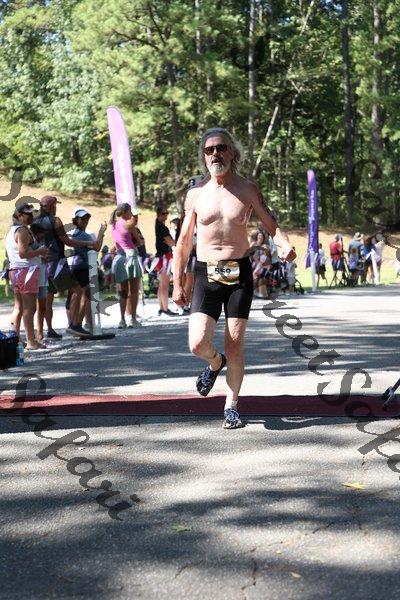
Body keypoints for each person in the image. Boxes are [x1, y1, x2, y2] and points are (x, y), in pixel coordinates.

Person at [172, 127, 296, 430]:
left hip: (238, 272)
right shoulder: (195, 194)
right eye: (209, 150)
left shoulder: (247, 189)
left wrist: (284, 244)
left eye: (221, 148)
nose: (216, 154)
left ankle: (231, 405)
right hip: (206, 273)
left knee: (235, 343)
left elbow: (270, 223)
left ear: (233, 152)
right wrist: (177, 282)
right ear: (204, 156)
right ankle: (215, 363)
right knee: (197, 343)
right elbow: (183, 242)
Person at [33, 195, 95, 340]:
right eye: (55, 205)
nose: (56, 208)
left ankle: (45, 331)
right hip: (57, 263)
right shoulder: (56, 220)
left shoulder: (35, 221)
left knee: (46, 298)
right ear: (51, 206)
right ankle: (74, 324)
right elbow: (67, 241)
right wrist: (87, 243)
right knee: (76, 289)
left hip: (41, 263)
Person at [5, 203, 49, 349]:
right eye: (27, 214)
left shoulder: (10, 231)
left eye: (32, 214)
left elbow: (10, 254)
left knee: (18, 307)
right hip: (26, 271)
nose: (31, 216)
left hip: (15, 270)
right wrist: (40, 252)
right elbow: (23, 253)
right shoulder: (22, 231)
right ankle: (31, 341)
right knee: (29, 308)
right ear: (19, 215)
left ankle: (16, 340)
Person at [66, 208, 106, 336]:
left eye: (87, 218)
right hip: (82, 268)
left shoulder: (78, 233)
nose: (85, 221)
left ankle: (76, 324)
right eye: (82, 219)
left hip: (79, 267)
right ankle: (76, 324)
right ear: (76, 220)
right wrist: (101, 232)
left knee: (83, 296)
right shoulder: (82, 235)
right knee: (85, 296)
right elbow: (97, 246)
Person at [110, 203, 143, 328]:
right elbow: (139, 242)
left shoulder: (113, 225)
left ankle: (122, 319)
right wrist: (136, 242)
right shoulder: (129, 224)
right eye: (130, 211)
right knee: (134, 290)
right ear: (125, 212)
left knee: (122, 291)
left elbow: (117, 242)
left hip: (119, 257)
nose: (131, 214)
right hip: (131, 256)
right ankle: (133, 319)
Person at [153, 205, 176, 316]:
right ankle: (165, 308)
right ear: (158, 215)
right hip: (164, 257)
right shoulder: (162, 227)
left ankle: (162, 307)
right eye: (163, 213)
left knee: (162, 284)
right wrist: (176, 243)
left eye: (167, 213)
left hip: (161, 257)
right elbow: (171, 242)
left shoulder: (158, 225)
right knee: (165, 284)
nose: (165, 215)